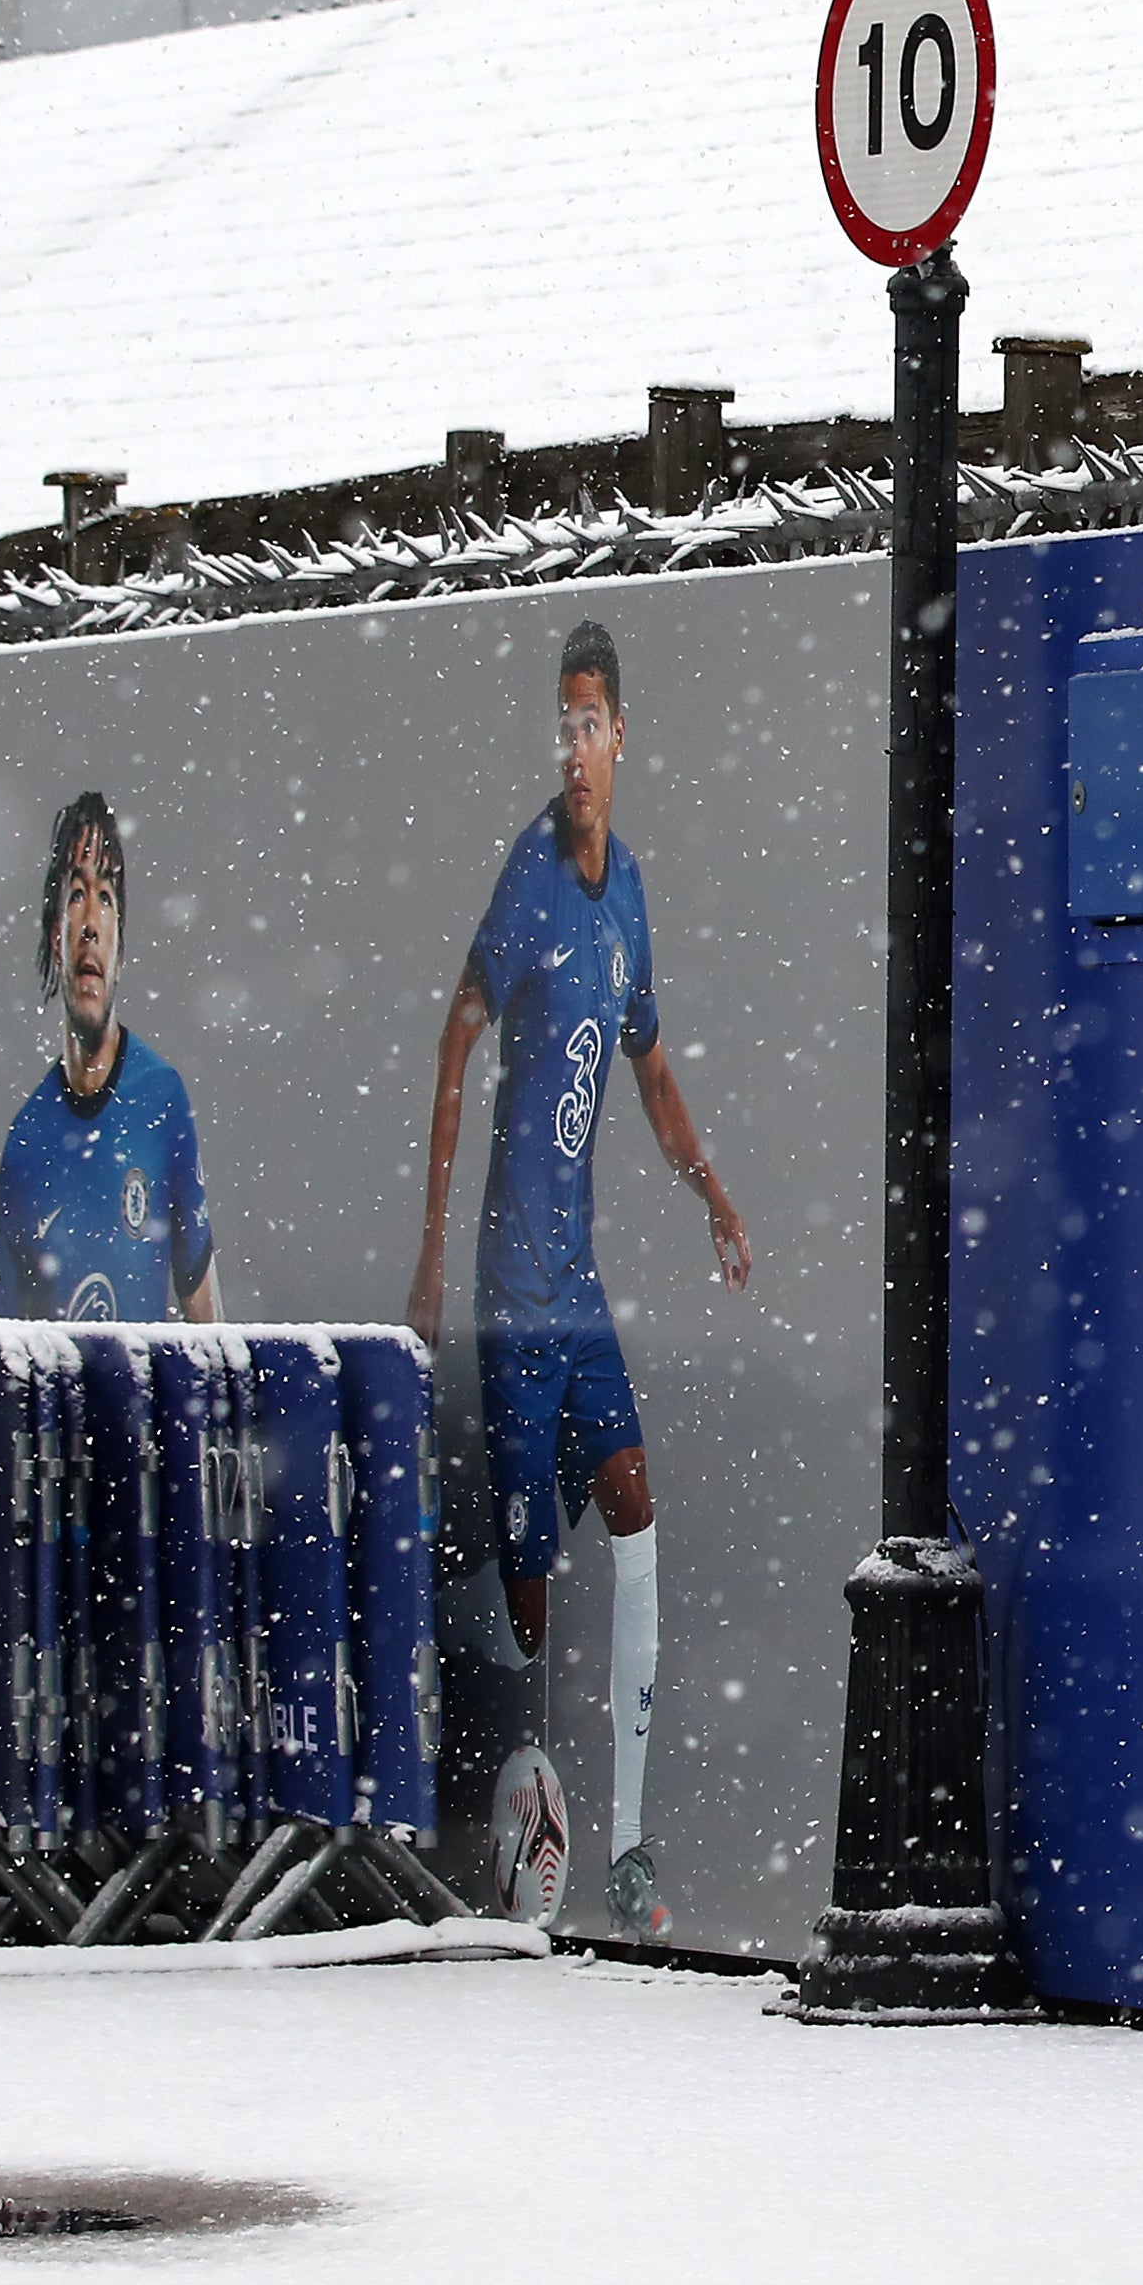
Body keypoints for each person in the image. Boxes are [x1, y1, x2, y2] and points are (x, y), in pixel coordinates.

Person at [408, 619, 749, 1938]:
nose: (574, 743)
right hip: (510, 1285)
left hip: (582, 1285)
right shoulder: (530, 876)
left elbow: (651, 1068)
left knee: (634, 1506)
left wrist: (710, 1189)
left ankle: (634, 1837)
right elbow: (457, 1032)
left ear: (622, 736)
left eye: (591, 718)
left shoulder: (630, 897)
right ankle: (526, 1822)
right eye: (559, 719)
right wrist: (436, 1246)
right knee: (531, 1575)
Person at [0, 791, 220, 1325]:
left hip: (146, 1411)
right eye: (76, 895)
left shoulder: (161, 1098)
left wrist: (219, 1407)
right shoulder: (26, 1142)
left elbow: (205, 1315)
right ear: (56, 939)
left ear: (120, 948)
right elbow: (1, 1359)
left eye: (106, 897)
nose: (90, 920)